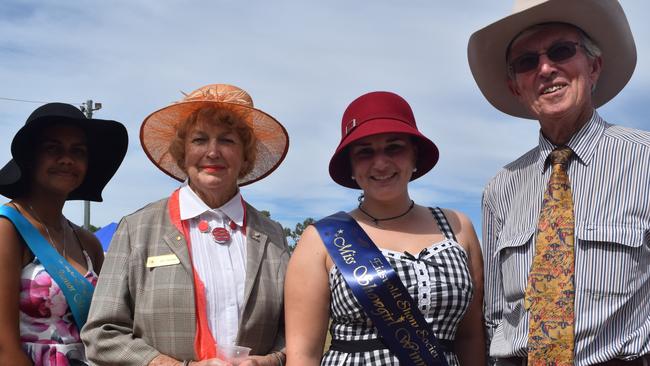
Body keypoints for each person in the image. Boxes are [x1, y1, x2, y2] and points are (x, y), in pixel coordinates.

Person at [468, 0, 650, 364]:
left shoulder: (644, 161)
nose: (546, 68)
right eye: (527, 62)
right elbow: (495, 316)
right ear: (515, 86)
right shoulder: (500, 189)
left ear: (594, 66)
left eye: (561, 51)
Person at [81, 84, 290, 366]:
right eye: (199, 140)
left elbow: (296, 330)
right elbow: (101, 334)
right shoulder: (137, 228)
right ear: (182, 153)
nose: (213, 152)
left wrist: (272, 361)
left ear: (245, 155)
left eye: (227, 140)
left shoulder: (272, 235)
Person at [285, 91, 485, 365]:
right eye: (365, 152)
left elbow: (470, 337)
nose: (380, 163)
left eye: (394, 147)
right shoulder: (322, 238)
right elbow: (303, 354)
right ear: (352, 166)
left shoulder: (458, 228)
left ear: (415, 155)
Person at [0, 103, 128, 365]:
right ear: (30, 157)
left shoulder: (88, 243)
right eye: (52, 148)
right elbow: (3, 348)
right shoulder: (7, 229)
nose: (67, 159)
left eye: (78, 151)